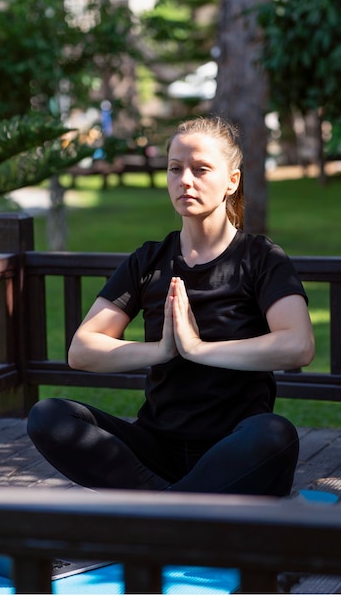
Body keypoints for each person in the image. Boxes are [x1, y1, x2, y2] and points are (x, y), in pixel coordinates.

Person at [27, 116, 315, 496]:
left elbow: (298, 345)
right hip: (157, 448)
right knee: (49, 416)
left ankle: (157, 511)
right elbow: (82, 350)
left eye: (201, 169)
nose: (185, 181)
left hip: (235, 450)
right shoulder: (148, 261)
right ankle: (176, 509)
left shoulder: (260, 258)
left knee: (275, 433)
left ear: (232, 180)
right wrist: (162, 350)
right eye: (175, 169)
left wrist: (198, 349)